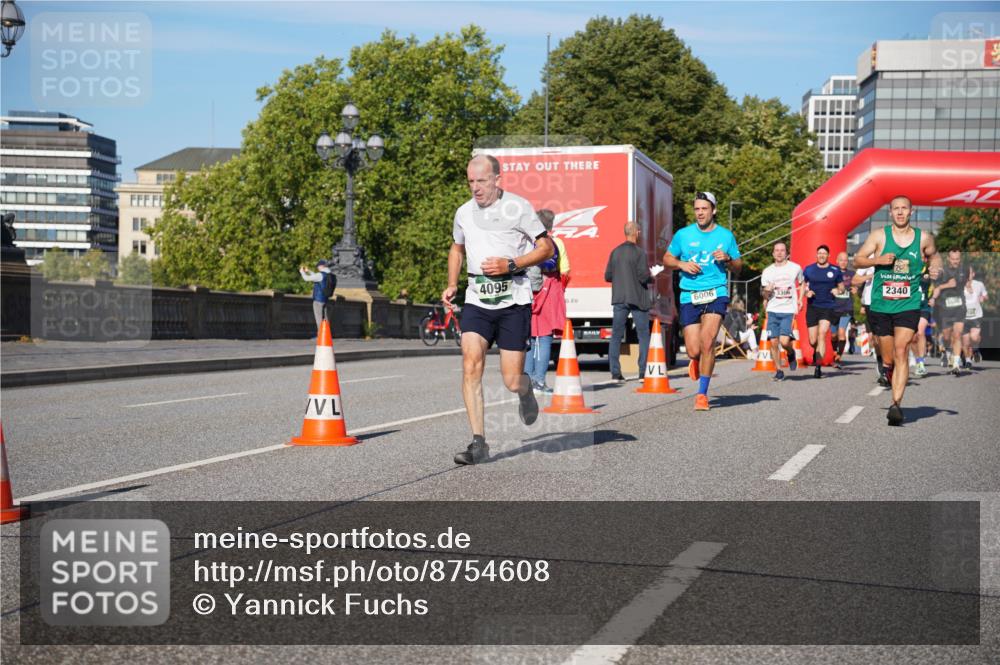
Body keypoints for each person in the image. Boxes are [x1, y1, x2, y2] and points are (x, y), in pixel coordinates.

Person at [443, 154, 554, 466]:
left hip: (514, 299)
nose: (476, 188)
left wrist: (511, 264)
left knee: (511, 379)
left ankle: (525, 390)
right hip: (478, 297)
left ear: (497, 179)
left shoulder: (517, 207)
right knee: (470, 363)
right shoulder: (463, 213)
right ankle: (479, 443)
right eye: (471, 182)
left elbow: (547, 248)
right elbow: (457, 248)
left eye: (481, 181)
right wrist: (452, 283)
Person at [854, 195, 937, 426]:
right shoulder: (879, 236)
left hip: (909, 303)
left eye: (904, 209)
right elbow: (857, 261)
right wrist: (878, 260)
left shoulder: (923, 238)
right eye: (896, 209)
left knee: (902, 350)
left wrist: (935, 268)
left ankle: (896, 405)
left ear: (912, 211)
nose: (900, 212)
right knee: (889, 354)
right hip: (881, 304)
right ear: (890, 212)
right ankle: (887, 367)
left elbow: (934, 256)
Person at [662, 192, 742, 410]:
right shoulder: (683, 235)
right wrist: (681, 265)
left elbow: (738, 265)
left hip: (716, 292)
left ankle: (702, 394)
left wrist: (728, 259)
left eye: (704, 209)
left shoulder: (726, 236)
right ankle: (696, 361)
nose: (700, 213)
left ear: (713, 210)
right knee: (693, 350)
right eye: (697, 209)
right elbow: (666, 259)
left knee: (708, 343)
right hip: (689, 294)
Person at [605, 221, 658, 382]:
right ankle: (643, 371)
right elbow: (643, 276)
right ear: (636, 233)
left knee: (616, 335)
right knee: (643, 335)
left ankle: (615, 373)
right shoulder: (639, 253)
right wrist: (652, 276)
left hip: (619, 298)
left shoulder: (615, 252)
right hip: (638, 298)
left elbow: (607, 276)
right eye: (639, 231)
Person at [524, 209, 567, 394]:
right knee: (544, 338)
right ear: (552, 224)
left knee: (530, 339)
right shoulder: (556, 243)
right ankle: (539, 382)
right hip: (548, 291)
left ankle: (526, 381)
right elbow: (565, 270)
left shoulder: (526, 243)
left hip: (528, 293)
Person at [761, 241, 804, 381]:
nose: (779, 253)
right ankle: (779, 370)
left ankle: (790, 353)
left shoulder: (795, 268)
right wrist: (767, 292)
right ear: (773, 253)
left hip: (788, 310)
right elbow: (764, 293)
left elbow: (802, 283)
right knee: (773, 342)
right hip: (773, 309)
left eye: (782, 250)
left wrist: (801, 299)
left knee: (785, 342)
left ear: (787, 253)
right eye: (776, 250)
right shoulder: (767, 271)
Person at [803, 245, 845, 378]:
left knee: (822, 334)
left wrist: (838, 291)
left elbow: (842, 287)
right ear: (816, 255)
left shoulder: (835, 270)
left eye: (824, 253)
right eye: (819, 253)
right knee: (812, 340)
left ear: (828, 256)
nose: (821, 255)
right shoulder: (809, 269)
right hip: (813, 306)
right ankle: (816, 352)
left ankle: (818, 367)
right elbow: (802, 286)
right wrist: (806, 292)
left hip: (828, 306)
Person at [931, 249, 967, 376]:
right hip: (945, 308)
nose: (956, 261)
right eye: (953, 259)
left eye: (957, 259)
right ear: (949, 259)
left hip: (960, 308)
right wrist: (946, 286)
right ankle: (947, 350)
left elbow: (966, 283)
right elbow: (937, 288)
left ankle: (956, 364)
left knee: (957, 334)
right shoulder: (942, 272)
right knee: (946, 337)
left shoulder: (964, 270)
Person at [852, 261, 886, 384]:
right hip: (871, 302)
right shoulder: (870, 259)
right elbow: (855, 280)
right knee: (876, 337)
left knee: (889, 335)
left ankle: (890, 365)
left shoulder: (896, 254)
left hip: (891, 302)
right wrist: (870, 276)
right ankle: (881, 360)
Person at [832, 251, 855, 368]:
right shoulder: (831, 273)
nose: (843, 262)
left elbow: (858, 284)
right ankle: (834, 353)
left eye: (846, 260)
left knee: (841, 334)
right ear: (837, 260)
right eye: (841, 260)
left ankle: (838, 358)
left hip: (846, 308)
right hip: (833, 309)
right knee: (833, 335)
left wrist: (856, 289)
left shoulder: (852, 274)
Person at [962, 265, 988, 369]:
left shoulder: (979, 284)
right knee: (966, 340)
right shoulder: (960, 284)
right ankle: (968, 360)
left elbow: (985, 295)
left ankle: (976, 350)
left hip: (976, 315)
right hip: (963, 316)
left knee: (974, 337)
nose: (968, 275)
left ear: (973, 274)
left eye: (970, 273)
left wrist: (983, 297)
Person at [299, 259, 335, 331]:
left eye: (318, 266)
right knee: (326, 319)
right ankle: (326, 335)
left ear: (321, 266)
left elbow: (307, 278)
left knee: (319, 319)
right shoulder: (330, 275)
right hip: (326, 299)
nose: (317, 268)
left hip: (318, 300)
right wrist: (308, 271)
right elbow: (316, 277)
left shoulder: (320, 275)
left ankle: (321, 335)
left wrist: (302, 272)